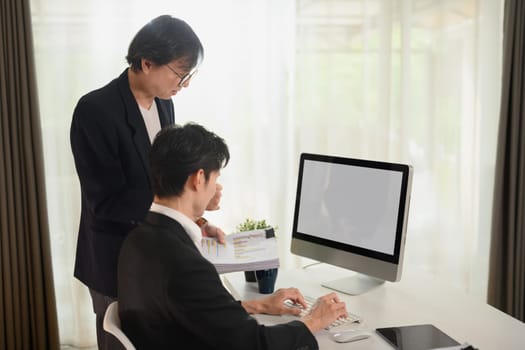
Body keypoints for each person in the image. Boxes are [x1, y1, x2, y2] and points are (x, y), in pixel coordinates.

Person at [118, 123, 348, 349]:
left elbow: (191, 309)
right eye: (215, 178)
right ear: (198, 178)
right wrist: (314, 320)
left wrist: (256, 306)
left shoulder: (136, 240)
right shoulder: (186, 264)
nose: (215, 189)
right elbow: (255, 343)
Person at [70, 15, 224, 350]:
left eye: (188, 75)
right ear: (147, 62)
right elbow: (106, 201)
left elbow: (165, 183)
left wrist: (195, 219)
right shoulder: (95, 110)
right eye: (180, 74)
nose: (184, 84)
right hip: (116, 257)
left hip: (156, 253)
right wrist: (186, 204)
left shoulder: (165, 103)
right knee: (120, 342)